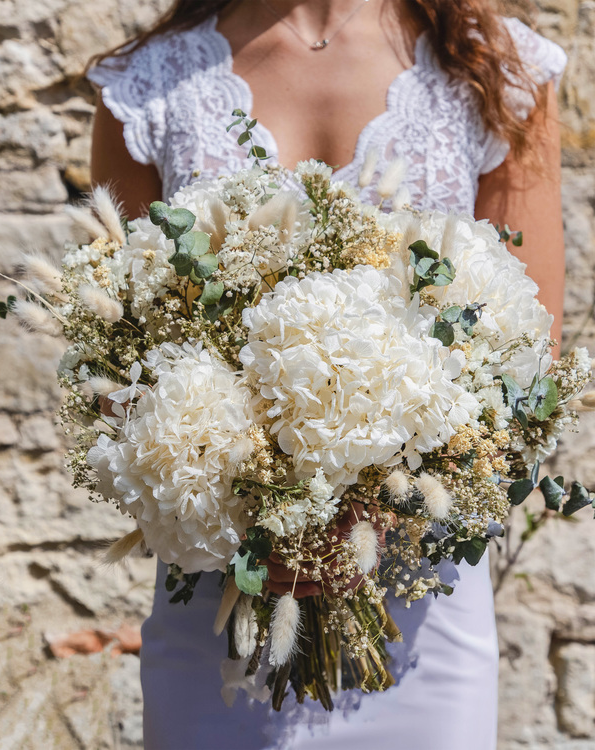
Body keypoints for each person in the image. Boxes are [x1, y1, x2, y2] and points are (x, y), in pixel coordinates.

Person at [88, 1, 567, 747]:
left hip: (422, 619)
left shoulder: (496, 73)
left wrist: (373, 508)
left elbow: (531, 366)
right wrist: (256, 507)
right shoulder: (149, 87)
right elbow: (117, 365)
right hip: (223, 611)